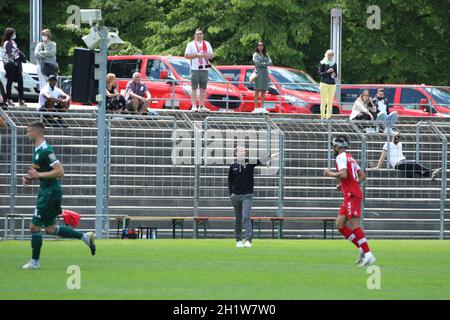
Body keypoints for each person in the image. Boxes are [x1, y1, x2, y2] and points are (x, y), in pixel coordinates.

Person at [22, 122, 96, 269]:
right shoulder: (38, 151)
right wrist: (29, 177)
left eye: (28, 131)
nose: (27, 134)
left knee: (34, 227)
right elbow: (37, 171)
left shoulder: (46, 150)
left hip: (49, 193)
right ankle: (84, 237)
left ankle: (35, 262)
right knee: (50, 229)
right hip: (48, 191)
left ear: (37, 133)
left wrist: (38, 175)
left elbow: (60, 171)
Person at [324, 136, 376, 267]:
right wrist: (345, 185)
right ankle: (360, 247)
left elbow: (344, 174)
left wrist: (330, 174)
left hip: (351, 195)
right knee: (340, 225)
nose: (333, 149)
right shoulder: (350, 157)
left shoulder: (340, 157)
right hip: (350, 194)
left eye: (334, 146)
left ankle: (369, 254)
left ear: (338, 146)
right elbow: (361, 176)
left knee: (354, 225)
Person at [228, 146, 278, 248]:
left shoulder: (250, 163)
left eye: (244, 151)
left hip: (247, 195)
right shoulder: (233, 166)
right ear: (236, 153)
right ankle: (238, 240)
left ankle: (248, 240)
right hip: (236, 196)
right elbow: (230, 181)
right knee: (238, 218)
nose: (243, 152)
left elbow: (260, 161)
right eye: (241, 151)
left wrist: (271, 157)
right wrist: (231, 194)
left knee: (246, 216)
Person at [373, 133, 440, 179]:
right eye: (395, 138)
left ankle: (428, 174)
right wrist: (378, 166)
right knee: (414, 163)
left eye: (398, 138)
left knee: (411, 171)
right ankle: (430, 171)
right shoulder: (387, 144)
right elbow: (382, 156)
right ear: (392, 138)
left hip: (403, 161)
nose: (397, 139)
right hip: (397, 164)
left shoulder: (400, 144)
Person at [184, 28, 214, 112]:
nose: (199, 35)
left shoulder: (207, 44)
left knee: (203, 88)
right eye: (197, 34)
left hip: (205, 68)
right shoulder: (191, 44)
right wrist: (197, 55)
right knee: (194, 88)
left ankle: (201, 106)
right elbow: (186, 56)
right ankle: (194, 105)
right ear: (195, 35)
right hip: (195, 68)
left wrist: (207, 55)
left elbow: (212, 55)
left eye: (200, 33)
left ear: (203, 35)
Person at [2, 27, 26, 107]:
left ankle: (21, 100)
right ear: (10, 34)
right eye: (14, 33)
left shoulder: (13, 42)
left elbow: (16, 52)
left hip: (16, 64)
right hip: (9, 64)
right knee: (10, 81)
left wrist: (18, 55)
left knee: (20, 81)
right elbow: (10, 53)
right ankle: (9, 99)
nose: (15, 35)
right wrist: (17, 54)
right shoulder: (6, 43)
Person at [252, 40, 272, 114]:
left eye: (262, 45)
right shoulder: (255, 54)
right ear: (257, 46)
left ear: (264, 46)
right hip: (258, 73)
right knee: (257, 90)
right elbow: (256, 63)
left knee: (263, 91)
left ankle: (262, 107)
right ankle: (256, 108)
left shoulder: (266, 54)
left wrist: (262, 64)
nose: (261, 46)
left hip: (265, 73)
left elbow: (270, 62)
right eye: (259, 45)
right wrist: (265, 64)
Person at [318, 49, 337, 119]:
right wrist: (327, 72)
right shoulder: (322, 62)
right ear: (326, 55)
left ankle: (328, 117)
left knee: (330, 101)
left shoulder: (334, 63)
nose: (330, 56)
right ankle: (322, 117)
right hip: (324, 83)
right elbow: (319, 74)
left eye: (332, 55)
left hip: (332, 84)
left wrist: (334, 74)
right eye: (329, 55)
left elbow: (336, 75)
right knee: (323, 101)